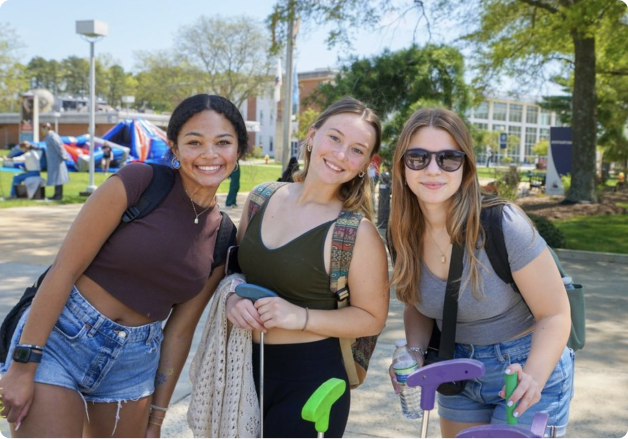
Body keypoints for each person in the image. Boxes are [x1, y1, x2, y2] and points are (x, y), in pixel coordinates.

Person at [0, 94, 247, 439]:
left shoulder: (223, 236)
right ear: (174, 148)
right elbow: (63, 271)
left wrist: (157, 418)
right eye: (194, 142)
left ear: (238, 151)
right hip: (60, 339)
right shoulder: (139, 182)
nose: (209, 154)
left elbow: (179, 331)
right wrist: (23, 366)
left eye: (223, 142)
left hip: (134, 362)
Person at [387, 108, 573, 438]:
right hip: (454, 369)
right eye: (417, 158)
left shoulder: (502, 224)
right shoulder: (401, 233)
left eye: (448, 158)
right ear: (402, 167)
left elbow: (556, 314)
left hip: (524, 368)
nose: (433, 169)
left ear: (466, 167)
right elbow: (417, 303)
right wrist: (414, 352)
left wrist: (533, 377)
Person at [226, 97, 389, 439]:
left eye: (357, 150)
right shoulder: (260, 198)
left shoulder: (356, 232)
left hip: (313, 380)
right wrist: (231, 300)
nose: (342, 154)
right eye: (335, 138)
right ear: (312, 137)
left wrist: (299, 317)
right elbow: (236, 273)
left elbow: (371, 318)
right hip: (241, 367)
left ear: (365, 165)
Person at [41, 123, 70, 201]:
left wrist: (63, 155)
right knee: (55, 177)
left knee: (58, 178)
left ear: (47, 128)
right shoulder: (48, 137)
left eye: (43, 128)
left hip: (57, 160)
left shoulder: (53, 136)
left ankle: (58, 195)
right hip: (52, 160)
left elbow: (59, 146)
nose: (42, 131)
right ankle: (56, 194)